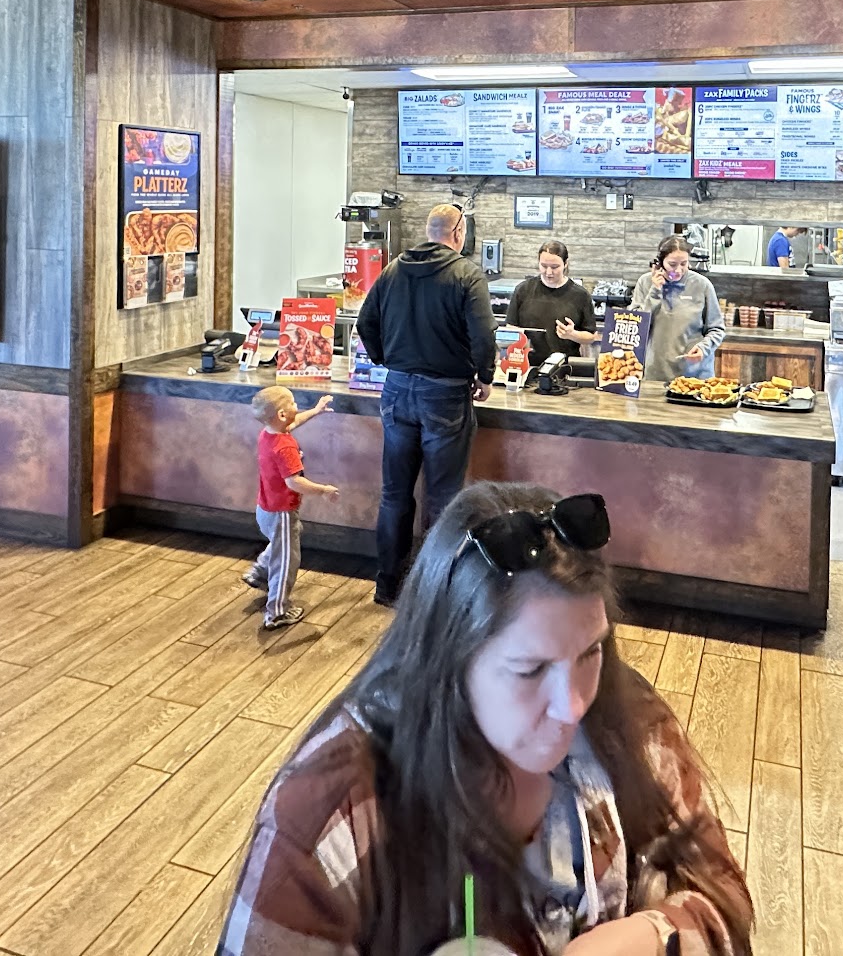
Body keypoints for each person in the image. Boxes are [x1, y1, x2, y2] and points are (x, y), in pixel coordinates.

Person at [217, 481, 752, 956]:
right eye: (529, 669)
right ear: (447, 662)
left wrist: (651, 937)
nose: (572, 706)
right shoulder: (330, 817)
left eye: (590, 653)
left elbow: (723, 898)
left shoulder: (626, 720)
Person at [356, 203, 498, 606]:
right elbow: (483, 335)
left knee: (394, 494)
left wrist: (388, 360)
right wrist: (485, 376)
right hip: (446, 394)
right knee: (444, 498)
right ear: (458, 233)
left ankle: (388, 586)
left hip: (397, 391)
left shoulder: (393, 269)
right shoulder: (467, 275)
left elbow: (366, 324)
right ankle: (434, 592)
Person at [247, 387, 341, 630]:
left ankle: (259, 572)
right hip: (282, 512)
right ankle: (277, 612)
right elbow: (293, 482)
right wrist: (323, 490)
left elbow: (294, 421)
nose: (296, 405)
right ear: (280, 414)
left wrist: (317, 410)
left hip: (265, 508)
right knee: (286, 560)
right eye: (292, 402)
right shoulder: (285, 447)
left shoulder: (268, 434)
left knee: (281, 543)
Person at [631, 235, 725, 387]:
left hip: (694, 376)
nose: (679, 270)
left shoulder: (702, 285)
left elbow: (717, 329)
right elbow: (636, 326)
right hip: (655, 374)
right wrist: (655, 291)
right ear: (660, 263)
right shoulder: (645, 283)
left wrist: (703, 348)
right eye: (672, 264)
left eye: (684, 264)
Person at [506, 240, 599, 366]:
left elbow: (591, 336)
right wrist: (520, 340)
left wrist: (572, 334)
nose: (549, 272)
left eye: (555, 267)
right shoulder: (523, 290)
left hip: (565, 368)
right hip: (527, 366)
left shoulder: (580, 295)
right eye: (544, 266)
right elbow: (511, 327)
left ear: (565, 264)